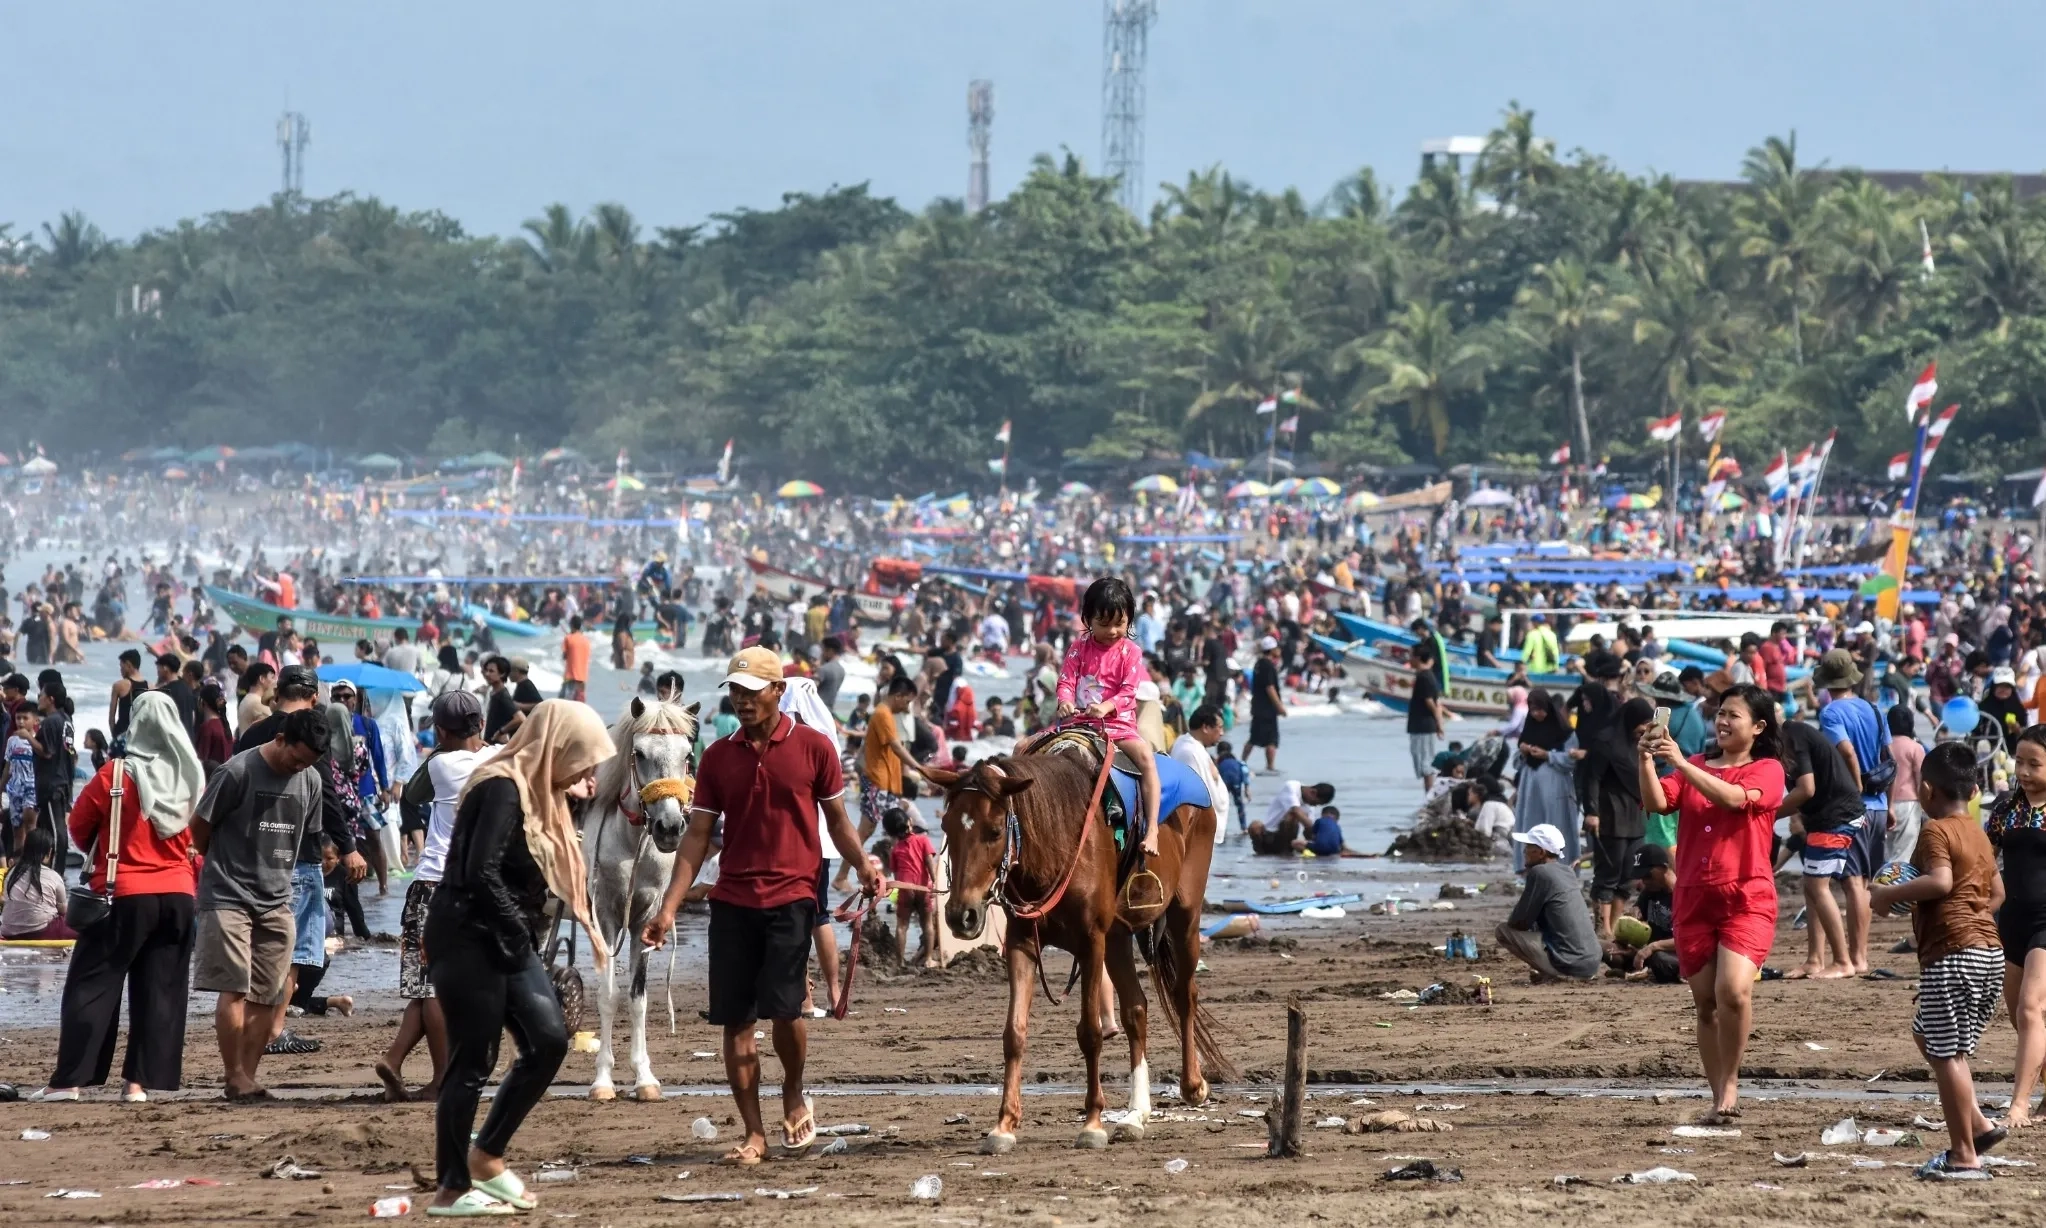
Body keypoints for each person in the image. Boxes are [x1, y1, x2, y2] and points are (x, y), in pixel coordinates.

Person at [642, 646, 883, 1167]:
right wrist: (667, 909)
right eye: (735, 691)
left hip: (794, 897)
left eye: (753, 692)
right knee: (736, 1021)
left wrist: (863, 865)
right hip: (732, 902)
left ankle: (793, 1088)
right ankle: (753, 1133)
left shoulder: (815, 748)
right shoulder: (717, 757)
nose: (743, 701)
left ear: (778, 691)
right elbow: (696, 837)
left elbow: (838, 823)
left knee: (786, 1010)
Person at [425, 701, 613, 1216]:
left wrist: (521, 940)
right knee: (472, 1062)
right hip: (466, 935)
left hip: (508, 937)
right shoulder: (501, 787)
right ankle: (451, 1188)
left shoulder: (541, 796)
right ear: (556, 749)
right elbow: (478, 872)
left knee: (550, 1040)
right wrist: (517, 936)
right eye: (582, 759)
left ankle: (487, 1154)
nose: (587, 771)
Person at [34, 693, 204, 1101]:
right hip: (180, 894)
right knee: (161, 991)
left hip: (122, 894)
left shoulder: (115, 775)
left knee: (91, 986)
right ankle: (138, 1085)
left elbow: (76, 828)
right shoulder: (192, 778)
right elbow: (202, 836)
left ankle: (70, 1081)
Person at [1638, 683, 1788, 1125]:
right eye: (1720, 712)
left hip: (1747, 895)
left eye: (1733, 715)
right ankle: (1717, 1090)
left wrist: (1681, 762)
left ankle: (1730, 1085)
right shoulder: (1696, 766)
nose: (1722, 721)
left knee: (1733, 992)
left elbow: (1732, 799)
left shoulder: (1768, 770)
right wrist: (1646, 758)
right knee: (1705, 1003)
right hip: (1693, 898)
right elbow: (1656, 801)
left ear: (1758, 727)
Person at [1871, 740, 2007, 1176]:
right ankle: (1980, 1126)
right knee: (1930, 1037)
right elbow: (1997, 894)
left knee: (1948, 1055)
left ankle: (1964, 1155)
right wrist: (1969, 915)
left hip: (1953, 953)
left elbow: (1941, 882)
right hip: (1988, 954)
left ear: (1926, 790)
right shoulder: (1979, 835)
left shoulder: (1935, 830)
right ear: (1972, 790)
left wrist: (1887, 895)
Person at [190, 707, 329, 1101]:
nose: (298, 768)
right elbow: (199, 829)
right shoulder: (237, 772)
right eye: (295, 758)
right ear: (281, 738)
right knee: (233, 987)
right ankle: (233, 1074)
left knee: (268, 993)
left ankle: (247, 1077)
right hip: (228, 896)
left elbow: (309, 836)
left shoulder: (311, 780)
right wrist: (221, 866)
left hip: (278, 899)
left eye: (308, 763)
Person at [377, 690, 488, 1103]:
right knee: (440, 989)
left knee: (430, 988)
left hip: (431, 885)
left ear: (440, 731)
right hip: (475, 889)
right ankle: (407, 1063)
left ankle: (437, 1075)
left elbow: (413, 795)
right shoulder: (497, 761)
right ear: (480, 724)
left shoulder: (440, 764)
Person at [1056, 578, 1163, 905]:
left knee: (1146, 759)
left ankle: (1153, 828)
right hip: (1078, 722)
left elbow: (1129, 691)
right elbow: (1066, 681)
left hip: (1117, 725)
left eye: (1120, 623)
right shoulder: (1078, 648)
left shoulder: (1131, 652)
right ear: (1088, 620)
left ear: (1129, 620)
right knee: (1022, 750)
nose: (1113, 631)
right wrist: (1063, 701)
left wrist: (1106, 706)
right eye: (1104, 624)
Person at [1782, 712, 1871, 979]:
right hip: (1825, 815)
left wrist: (1765, 814)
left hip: (1837, 814)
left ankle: (1843, 961)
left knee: (1816, 885)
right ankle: (1815, 959)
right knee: (1812, 886)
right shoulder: (1787, 737)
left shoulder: (1790, 736)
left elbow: (1806, 788)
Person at [1988, 725, 2046, 1129]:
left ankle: (2019, 1105)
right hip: (2012, 920)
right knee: (2019, 1014)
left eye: (2035, 764)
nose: (2023, 771)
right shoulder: (2007, 808)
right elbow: (1983, 858)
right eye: (2019, 761)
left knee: (2031, 1008)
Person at [1497, 823, 1599, 982]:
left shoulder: (1540, 872)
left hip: (1571, 964)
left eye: (1528, 847)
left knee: (1503, 931)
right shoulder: (1566, 871)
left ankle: (1556, 974)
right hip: (1591, 963)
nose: (1524, 852)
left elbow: (1518, 923)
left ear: (1540, 852)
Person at [1513, 689, 1578, 870]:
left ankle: (1564, 865)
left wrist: (1548, 755)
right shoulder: (1529, 729)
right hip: (1530, 784)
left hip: (1555, 785)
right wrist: (1523, 750)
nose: (1537, 714)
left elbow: (1571, 760)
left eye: (1540, 709)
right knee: (1530, 822)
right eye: (1533, 710)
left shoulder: (1564, 732)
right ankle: (1528, 864)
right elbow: (1516, 762)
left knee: (1556, 822)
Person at [1604, 843, 1680, 983]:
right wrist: (1632, 917)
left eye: (1648, 876)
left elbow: (1688, 939)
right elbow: (1638, 921)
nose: (1645, 881)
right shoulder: (1649, 892)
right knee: (1604, 947)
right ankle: (1640, 970)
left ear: (1663, 868)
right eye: (1641, 877)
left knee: (1660, 959)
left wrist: (1652, 947)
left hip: (1675, 954)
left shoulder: (1685, 894)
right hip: (1645, 954)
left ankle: (1646, 972)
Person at [884, 807, 938, 968]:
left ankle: (899, 962)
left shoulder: (895, 849)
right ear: (910, 822)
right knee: (927, 924)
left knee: (902, 926)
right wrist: (934, 883)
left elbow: (895, 873)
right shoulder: (923, 840)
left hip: (905, 888)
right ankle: (928, 959)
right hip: (923, 888)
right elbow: (929, 862)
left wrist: (898, 890)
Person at [1170, 703, 1230, 843]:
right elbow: (1194, 799)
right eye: (1219, 727)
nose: (1222, 733)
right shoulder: (1189, 752)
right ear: (1206, 728)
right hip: (1195, 834)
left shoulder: (1191, 744)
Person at [2, 825, 72, 940]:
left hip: (9, 931)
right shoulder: (53, 876)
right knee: (79, 925)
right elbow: (63, 910)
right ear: (49, 852)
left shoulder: (11, 873)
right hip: (40, 932)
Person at [1887, 703, 1928, 866]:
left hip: (1883, 804)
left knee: (1886, 851)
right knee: (1903, 853)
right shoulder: (1915, 748)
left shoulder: (1882, 746)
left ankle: (1882, 886)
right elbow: (1921, 779)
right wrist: (1925, 803)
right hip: (1909, 804)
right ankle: (1897, 888)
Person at [1408, 639, 1447, 794]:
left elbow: (1431, 702)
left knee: (1425, 763)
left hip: (1423, 726)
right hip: (1421, 725)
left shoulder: (1424, 677)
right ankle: (1429, 795)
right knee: (1424, 762)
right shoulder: (1426, 676)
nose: (1409, 659)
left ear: (1418, 658)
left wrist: (1439, 723)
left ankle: (1430, 796)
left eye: (1411, 656)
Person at [1245, 634, 1285, 773]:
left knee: (1253, 737)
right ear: (1272, 650)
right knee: (1271, 739)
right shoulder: (1268, 666)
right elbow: (1270, 687)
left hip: (1257, 706)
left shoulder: (1258, 664)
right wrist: (1279, 706)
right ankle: (1271, 766)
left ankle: (1242, 761)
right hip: (1268, 708)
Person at [194, 682, 234, 777]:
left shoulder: (207, 728)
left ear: (203, 702)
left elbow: (201, 761)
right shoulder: (224, 724)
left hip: (211, 779)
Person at [559, 615, 590, 702]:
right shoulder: (586, 640)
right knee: (579, 704)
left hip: (570, 677)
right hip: (582, 678)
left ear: (571, 625)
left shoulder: (568, 638)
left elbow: (564, 656)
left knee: (564, 703)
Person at [1521, 612, 1560, 676]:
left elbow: (1527, 652)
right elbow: (1555, 652)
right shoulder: (1552, 635)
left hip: (1535, 668)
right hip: (1550, 668)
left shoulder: (1532, 635)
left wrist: (1521, 664)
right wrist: (1556, 666)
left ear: (1535, 623)